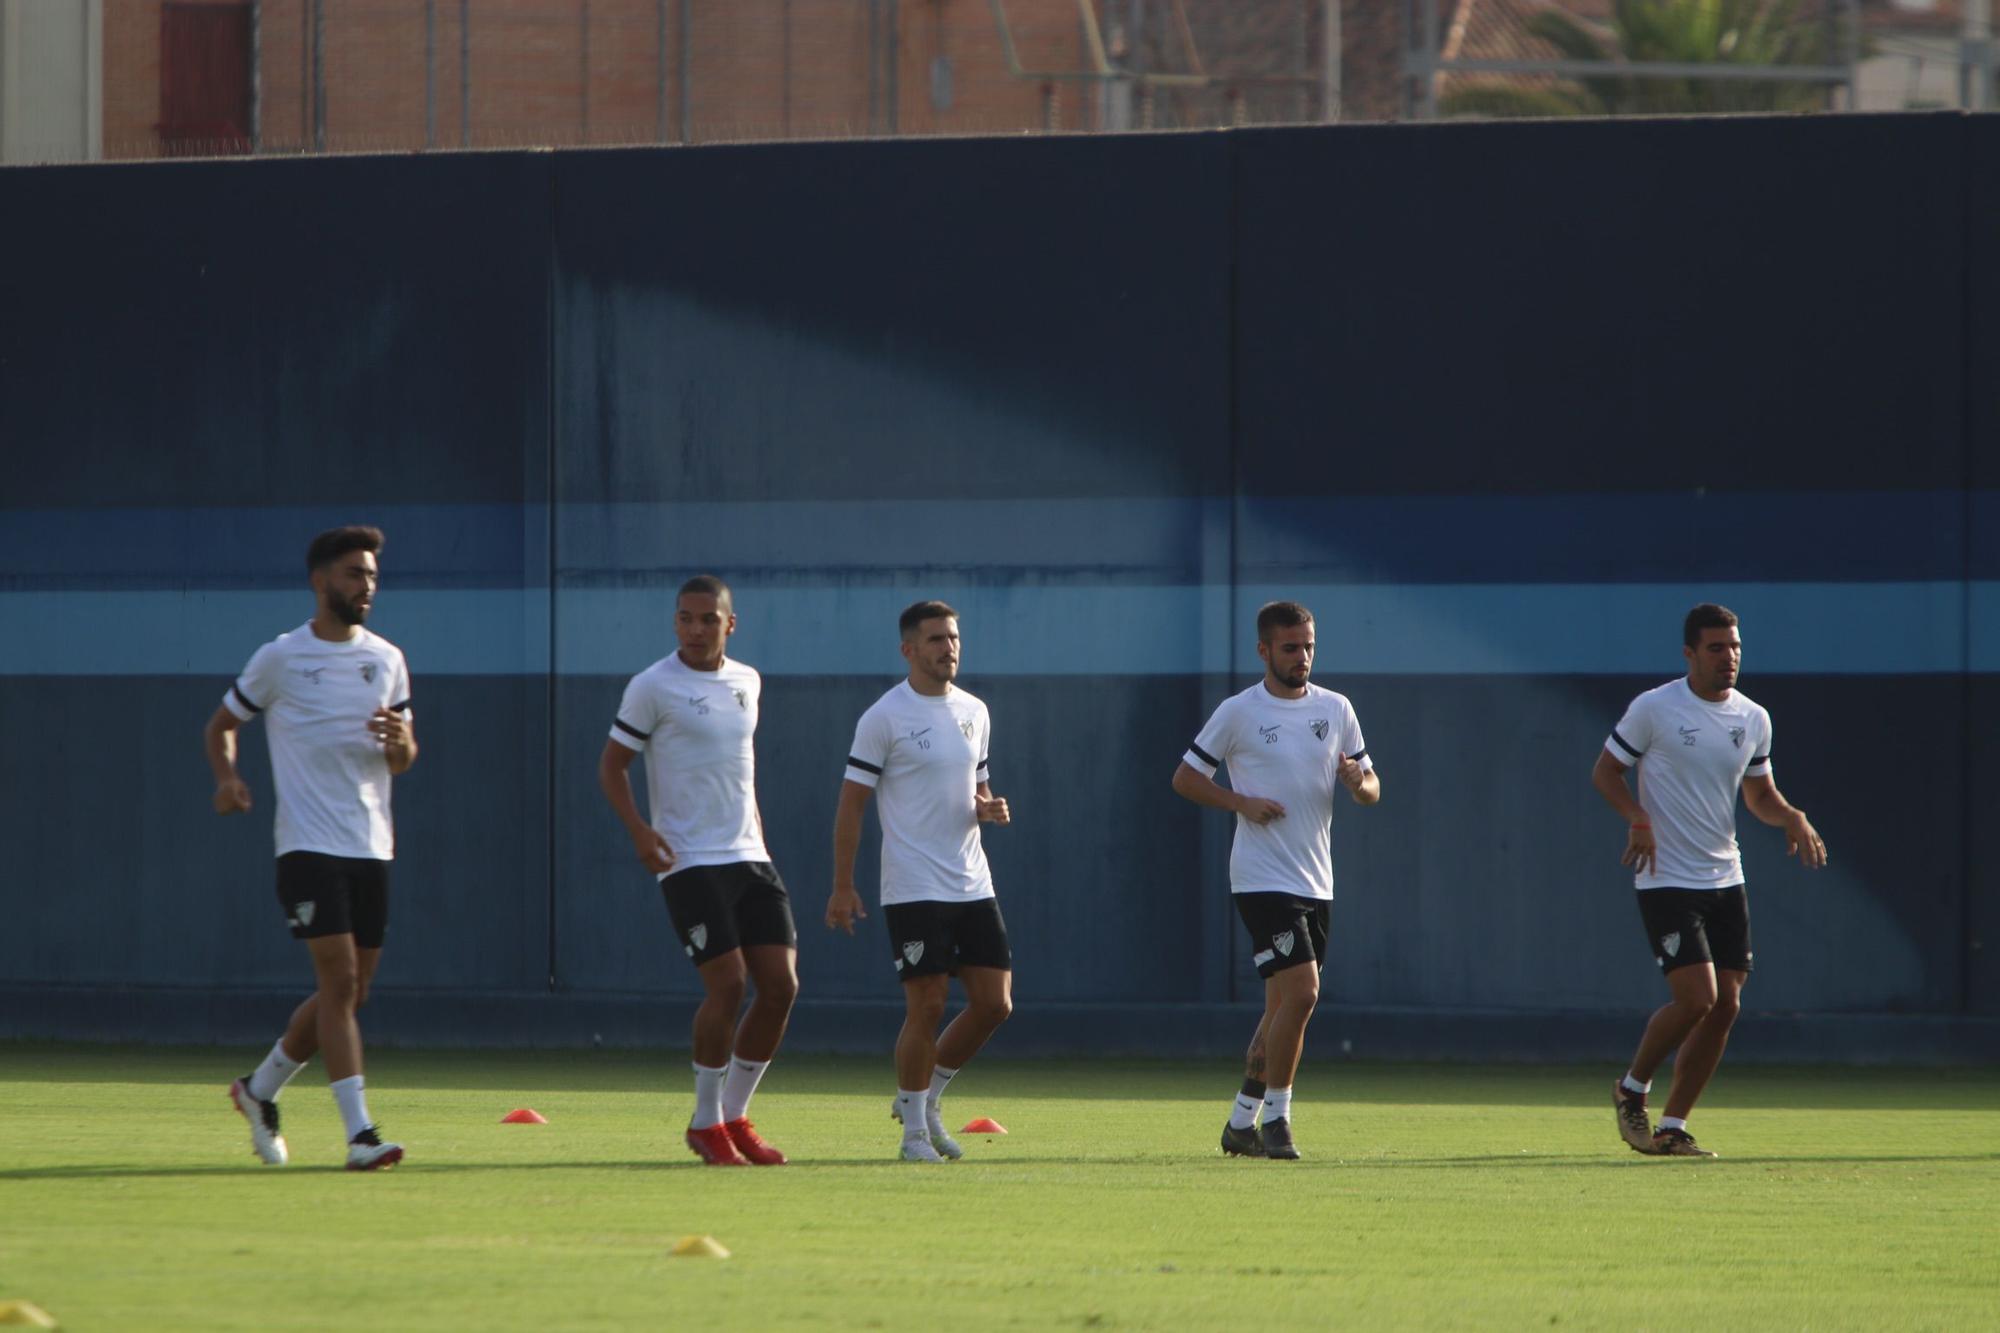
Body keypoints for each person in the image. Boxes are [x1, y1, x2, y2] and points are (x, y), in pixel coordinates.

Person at [206, 525, 415, 1171]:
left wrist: (396, 740)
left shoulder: (387, 658)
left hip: (371, 845)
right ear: (320, 580)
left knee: (349, 995)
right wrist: (227, 777)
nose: (367, 586)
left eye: (373, 575)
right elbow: (223, 725)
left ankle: (260, 1087)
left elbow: (406, 757)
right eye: (355, 574)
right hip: (306, 845)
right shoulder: (282, 657)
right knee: (339, 980)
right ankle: (360, 1134)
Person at [1594, 603, 1828, 1158]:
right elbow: (1606, 771)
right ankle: (1632, 1089)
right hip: (1666, 876)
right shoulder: (1655, 708)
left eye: (1736, 647)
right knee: (1698, 996)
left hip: (1726, 875)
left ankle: (1673, 1127)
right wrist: (1637, 817)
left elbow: (1759, 796)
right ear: (1690, 654)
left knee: (1727, 1005)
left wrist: (1791, 814)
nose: (1730, 658)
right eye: (1717, 648)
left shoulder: (1753, 718)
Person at [598, 575, 799, 1167]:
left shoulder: (748, 682)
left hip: (749, 857)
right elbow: (612, 767)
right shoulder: (652, 686)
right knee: (729, 984)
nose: (694, 629)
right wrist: (640, 830)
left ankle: (735, 1116)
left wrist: (758, 838)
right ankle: (704, 1121)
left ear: (729, 625)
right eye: (685, 618)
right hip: (687, 860)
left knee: (781, 987)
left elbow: (739, 768)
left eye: (707, 619)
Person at [1172, 601, 1379, 1161]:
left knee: (1281, 1007)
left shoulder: (1337, 709)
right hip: (1262, 877)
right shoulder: (1239, 712)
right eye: (1290, 648)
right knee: (1305, 993)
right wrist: (1241, 802)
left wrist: (1360, 781)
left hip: (1316, 878)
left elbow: (1371, 786)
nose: (1302, 657)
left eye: (1309, 646)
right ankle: (1279, 1121)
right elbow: (1186, 777)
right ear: (1264, 650)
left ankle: (1242, 1122)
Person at [826, 600, 1013, 1163]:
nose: (947, 648)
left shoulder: (975, 711)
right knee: (927, 1004)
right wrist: (842, 885)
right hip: (912, 886)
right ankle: (911, 1136)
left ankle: (923, 1097)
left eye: (952, 638)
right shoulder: (884, 716)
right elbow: (851, 805)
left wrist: (987, 808)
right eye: (934, 639)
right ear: (909, 649)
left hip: (972, 882)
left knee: (994, 1004)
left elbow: (975, 787)